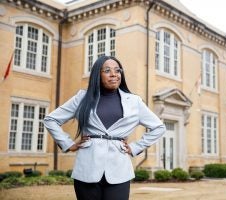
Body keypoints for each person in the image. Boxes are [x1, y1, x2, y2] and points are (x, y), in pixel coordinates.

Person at [44, 55, 166, 200]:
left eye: (117, 70)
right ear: (97, 74)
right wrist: (68, 144)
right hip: (87, 168)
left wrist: (135, 147)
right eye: (107, 70)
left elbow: (159, 127)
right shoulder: (82, 98)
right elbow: (50, 119)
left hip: (119, 170)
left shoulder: (134, 101)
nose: (114, 74)